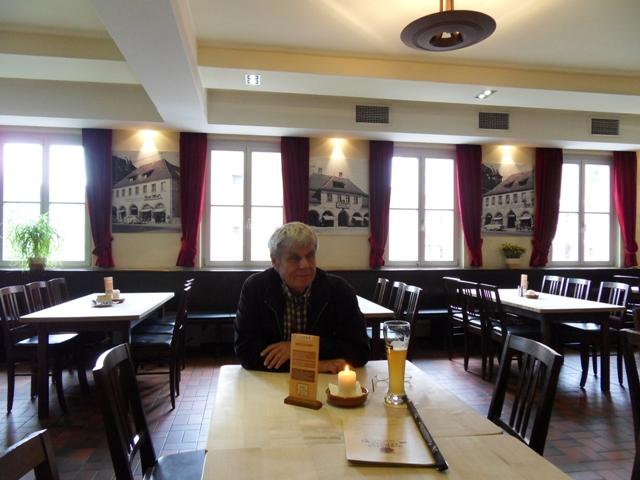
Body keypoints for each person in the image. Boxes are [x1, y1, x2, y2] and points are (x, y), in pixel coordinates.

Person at [234, 222, 370, 373]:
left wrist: (296, 348)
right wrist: (316, 366)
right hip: (270, 382)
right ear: (275, 262)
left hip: (325, 383)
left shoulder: (339, 290)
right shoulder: (255, 288)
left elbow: (360, 350)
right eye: (294, 258)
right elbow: (246, 352)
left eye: (310, 256)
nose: (305, 265)